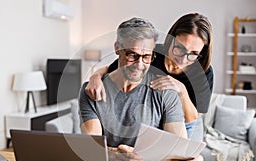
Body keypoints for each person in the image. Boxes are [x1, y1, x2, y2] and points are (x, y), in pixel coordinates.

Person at [79, 17, 202, 161]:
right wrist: (113, 155)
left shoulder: (166, 91)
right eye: (132, 55)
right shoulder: (92, 91)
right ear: (117, 48)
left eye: (147, 57)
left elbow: (178, 153)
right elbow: (90, 147)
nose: (140, 64)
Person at [85, 13, 213, 139]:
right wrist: (95, 77)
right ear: (170, 39)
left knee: (185, 158)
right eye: (179, 48)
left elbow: (192, 117)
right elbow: (112, 68)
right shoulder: (148, 53)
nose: (184, 59)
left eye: (194, 53)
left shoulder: (203, 72)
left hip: (186, 123)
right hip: (157, 120)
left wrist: (181, 90)